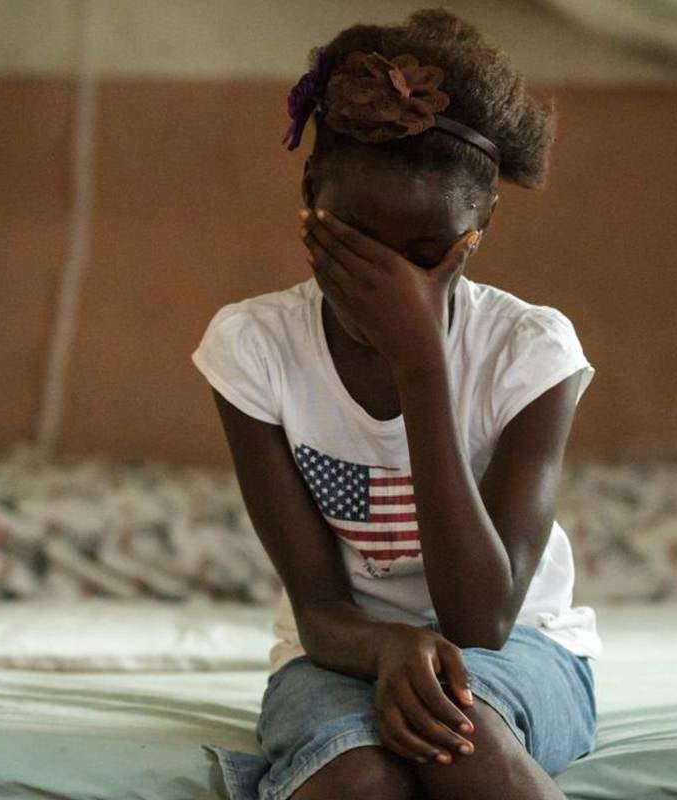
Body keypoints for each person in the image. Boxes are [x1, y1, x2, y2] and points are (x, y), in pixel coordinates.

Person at [192, 9, 600, 799]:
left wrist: (421, 365)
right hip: (338, 652)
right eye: (355, 242)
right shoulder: (253, 348)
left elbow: (481, 619)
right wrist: (386, 650)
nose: (390, 288)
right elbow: (317, 607)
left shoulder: (531, 352)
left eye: (424, 257)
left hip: (524, 649)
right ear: (310, 199)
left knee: (463, 739)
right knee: (359, 780)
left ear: (479, 226)